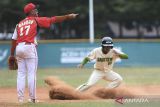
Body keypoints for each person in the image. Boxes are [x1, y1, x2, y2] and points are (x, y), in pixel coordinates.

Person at [9, 3, 78, 103]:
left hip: (19, 48)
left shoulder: (19, 24)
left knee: (21, 74)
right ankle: (32, 99)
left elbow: (14, 40)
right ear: (30, 12)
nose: (37, 11)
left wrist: (11, 55)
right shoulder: (35, 20)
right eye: (35, 10)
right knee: (31, 74)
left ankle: (20, 99)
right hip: (29, 47)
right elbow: (53, 19)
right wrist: (67, 16)